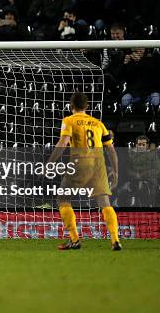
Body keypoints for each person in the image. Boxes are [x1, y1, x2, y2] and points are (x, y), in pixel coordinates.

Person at [46, 92, 120, 251]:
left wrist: (50, 162)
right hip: (99, 164)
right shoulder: (98, 123)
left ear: (71, 106)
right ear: (86, 106)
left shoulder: (69, 120)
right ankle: (115, 240)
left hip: (80, 162)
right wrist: (115, 171)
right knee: (104, 202)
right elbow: (111, 150)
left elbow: (64, 141)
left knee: (63, 198)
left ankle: (74, 239)